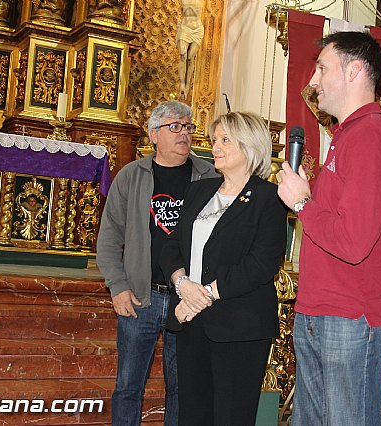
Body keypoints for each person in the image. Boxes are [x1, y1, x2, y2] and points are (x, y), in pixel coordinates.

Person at [277, 31, 381, 425]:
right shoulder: (347, 136)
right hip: (322, 309)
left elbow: (353, 242)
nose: (313, 81)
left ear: (354, 71)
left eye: (321, 68)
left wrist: (302, 202)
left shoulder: (371, 136)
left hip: (353, 316)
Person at [159, 111, 287, 425]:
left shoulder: (269, 197)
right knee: (192, 414)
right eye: (215, 139)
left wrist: (206, 294)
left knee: (231, 416)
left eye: (225, 140)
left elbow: (262, 262)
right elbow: (170, 247)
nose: (215, 146)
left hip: (239, 325)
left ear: (249, 146)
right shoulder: (199, 191)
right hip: (191, 320)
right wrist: (182, 286)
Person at [96, 100, 217, 426]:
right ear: (154, 134)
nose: (184, 134)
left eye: (188, 127)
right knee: (127, 387)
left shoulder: (209, 176)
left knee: (182, 389)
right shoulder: (131, 176)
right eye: (175, 126)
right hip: (140, 297)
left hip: (189, 300)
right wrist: (118, 287)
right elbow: (108, 239)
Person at [176, 0, 204, 99]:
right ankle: (182, 84)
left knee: (190, 57)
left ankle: (188, 85)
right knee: (183, 54)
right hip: (184, 27)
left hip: (197, 29)